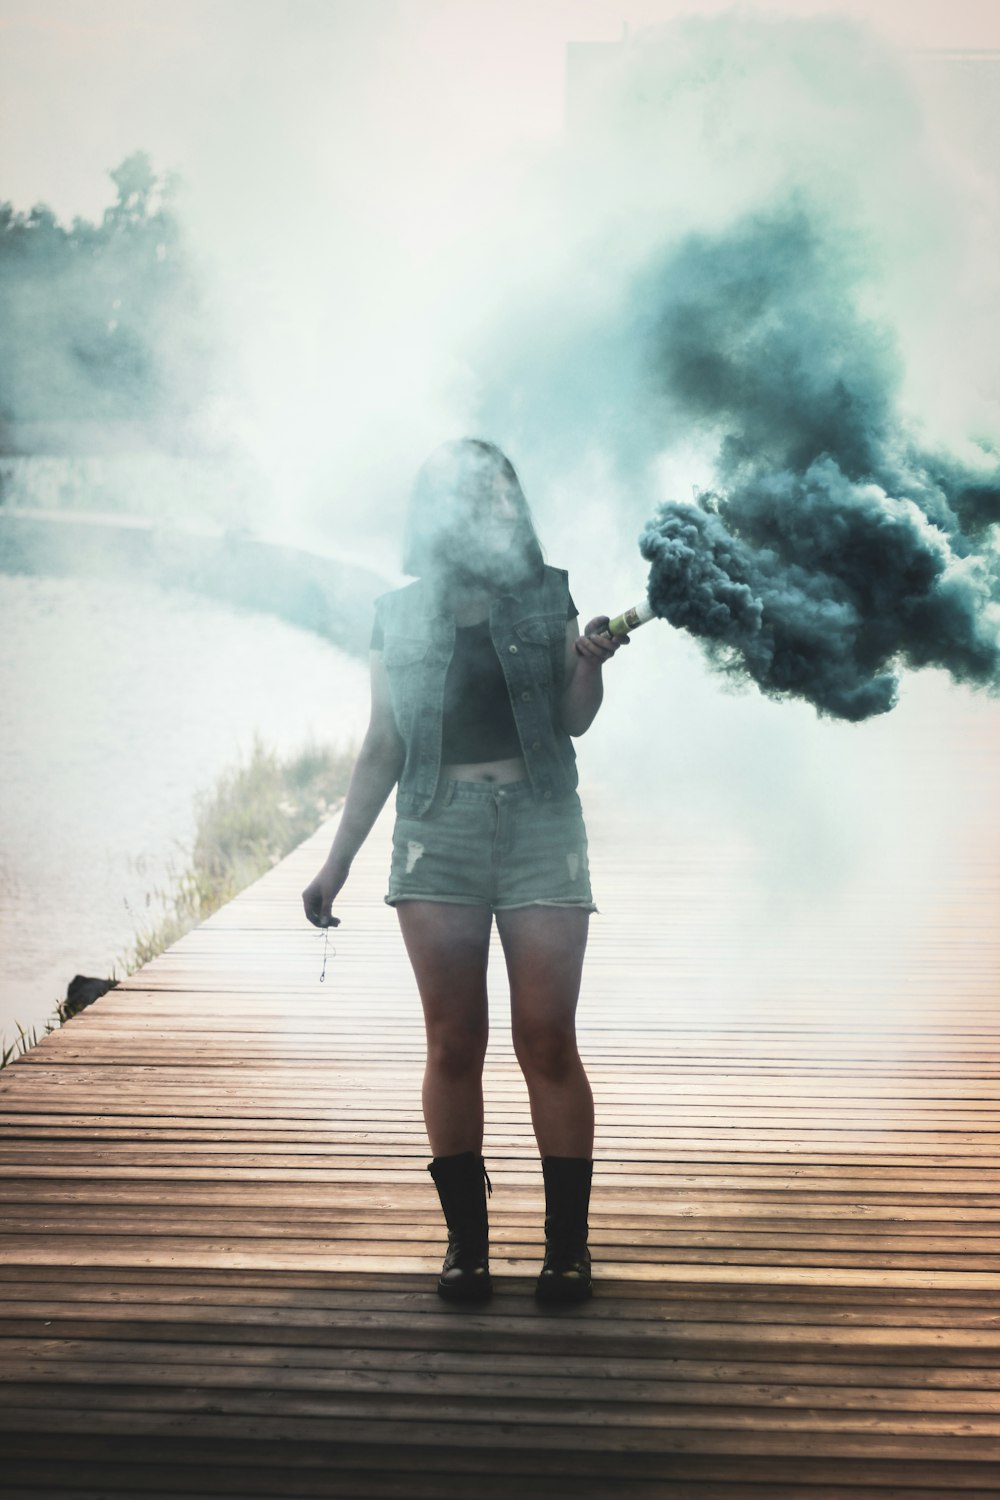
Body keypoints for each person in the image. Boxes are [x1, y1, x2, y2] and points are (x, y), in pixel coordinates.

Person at [302, 438, 627, 1305]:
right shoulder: (397, 613)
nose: (490, 508)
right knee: (453, 1044)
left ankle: (567, 1251)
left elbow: (575, 719)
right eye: (470, 495)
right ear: (435, 510)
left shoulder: (550, 591)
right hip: (436, 833)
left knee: (548, 1041)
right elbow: (382, 744)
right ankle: (467, 1249)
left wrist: (588, 667)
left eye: (500, 493)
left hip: (541, 826)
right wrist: (336, 865)